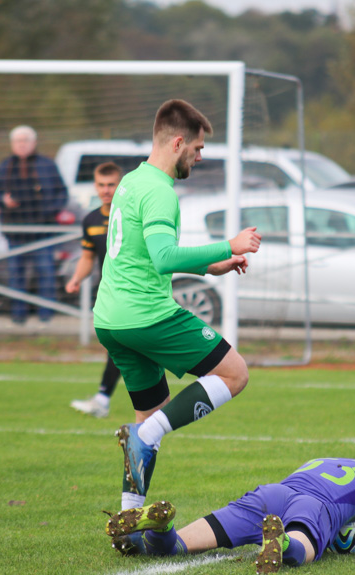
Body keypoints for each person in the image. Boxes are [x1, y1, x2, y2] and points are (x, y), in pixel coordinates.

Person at [92, 99, 262, 512]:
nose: (200, 157)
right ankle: (148, 435)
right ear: (178, 142)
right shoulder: (159, 192)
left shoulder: (133, 181)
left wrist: (212, 265)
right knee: (235, 373)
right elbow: (164, 258)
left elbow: (142, 253)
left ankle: (129, 517)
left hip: (111, 320)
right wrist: (230, 244)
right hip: (147, 316)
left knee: (148, 415)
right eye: (198, 149)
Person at [105, 457, 355, 573]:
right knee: (301, 552)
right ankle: (281, 544)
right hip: (313, 507)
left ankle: (162, 526)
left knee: (176, 547)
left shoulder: (330, 460)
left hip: (271, 495)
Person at [0, 125, 68, 324]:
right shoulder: (4, 167)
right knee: (16, 275)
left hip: (43, 231)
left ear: (34, 143)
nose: (22, 145)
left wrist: (50, 211)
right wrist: (3, 201)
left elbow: (62, 194)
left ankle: (46, 317)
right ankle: (18, 317)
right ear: (12, 144)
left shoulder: (47, 166)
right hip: (15, 232)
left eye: (25, 141)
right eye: (18, 141)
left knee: (46, 272)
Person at [67, 162, 124, 418]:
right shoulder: (90, 220)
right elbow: (87, 257)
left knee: (125, 345)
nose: (106, 190)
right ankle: (103, 398)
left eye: (111, 184)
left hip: (134, 292)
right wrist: (76, 279)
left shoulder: (130, 215)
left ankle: (103, 399)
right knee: (122, 346)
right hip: (110, 294)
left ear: (120, 184)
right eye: (101, 185)